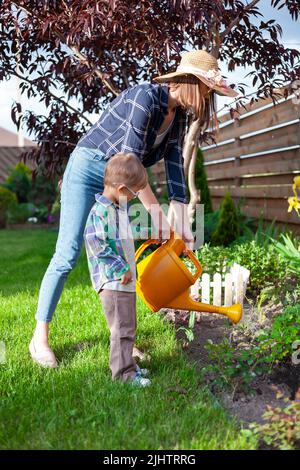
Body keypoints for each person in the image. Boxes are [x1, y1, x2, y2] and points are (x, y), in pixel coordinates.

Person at [29, 49, 238, 368]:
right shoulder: (146, 98)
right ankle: (39, 338)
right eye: (206, 89)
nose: (208, 97)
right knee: (67, 252)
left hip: (123, 179)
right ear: (189, 81)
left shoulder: (178, 116)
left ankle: (121, 340)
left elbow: (174, 169)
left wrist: (182, 226)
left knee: (123, 258)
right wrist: (158, 217)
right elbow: (129, 165)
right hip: (90, 170)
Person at [84, 152, 151, 386]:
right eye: (133, 194)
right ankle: (123, 375)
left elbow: (120, 239)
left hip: (123, 282)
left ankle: (129, 367)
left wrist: (144, 235)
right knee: (121, 330)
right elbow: (95, 243)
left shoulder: (115, 208)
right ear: (122, 189)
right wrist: (120, 267)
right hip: (114, 283)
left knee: (128, 327)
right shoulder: (101, 211)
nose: (133, 199)